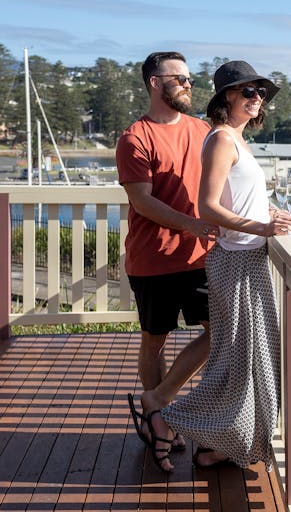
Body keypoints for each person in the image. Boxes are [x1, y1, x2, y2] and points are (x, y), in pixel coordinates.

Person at [141, 61, 291, 472]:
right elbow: (207, 206)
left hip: (249, 257)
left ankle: (221, 444)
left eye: (260, 92)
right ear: (226, 97)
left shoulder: (239, 140)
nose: (256, 98)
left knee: (249, 360)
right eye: (247, 91)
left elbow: (238, 199)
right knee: (237, 361)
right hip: (234, 261)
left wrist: (279, 216)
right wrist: (263, 226)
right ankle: (165, 410)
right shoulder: (221, 140)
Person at [118, 52, 219, 453]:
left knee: (218, 333)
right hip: (153, 259)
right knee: (153, 341)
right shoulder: (135, 137)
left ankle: (156, 400)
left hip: (201, 258)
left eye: (190, 79)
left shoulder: (202, 130)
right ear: (155, 83)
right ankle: (158, 419)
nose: (188, 85)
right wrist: (191, 224)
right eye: (179, 78)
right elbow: (142, 202)